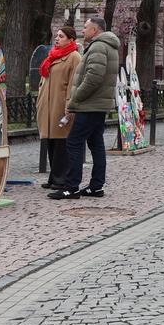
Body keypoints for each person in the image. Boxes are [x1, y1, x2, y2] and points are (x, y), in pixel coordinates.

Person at [50, 17, 120, 200]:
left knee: (73, 142)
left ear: (95, 30)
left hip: (89, 105)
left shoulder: (98, 46)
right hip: (98, 104)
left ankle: (71, 186)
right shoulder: (108, 45)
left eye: (86, 27)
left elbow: (93, 78)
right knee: (96, 144)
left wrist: (74, 100)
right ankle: (96, 186)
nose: (83, 30)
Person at [36, 26, 81, 190]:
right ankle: (54, 176)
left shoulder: (74, 57)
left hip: (61, 105)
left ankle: (61, 178)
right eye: (56, 36)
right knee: (52, 141)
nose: (57, 38)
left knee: (62, 142)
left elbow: (73, 83)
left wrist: (70, 105)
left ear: (70, 39)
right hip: (48, 105)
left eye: (61, 36)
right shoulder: (53, 56)